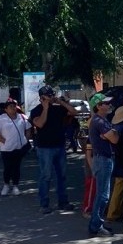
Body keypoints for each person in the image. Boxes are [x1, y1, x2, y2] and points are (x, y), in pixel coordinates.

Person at [30, 86, 77, 214]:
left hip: (59, 146)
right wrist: (45, 108)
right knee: (46, 175)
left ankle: (63, 202)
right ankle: (44, 204)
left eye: (52, 95)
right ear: (42, 97)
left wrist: (61, 102)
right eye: (48, 96)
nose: (51, 98)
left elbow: (74, 112)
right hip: (45, 147)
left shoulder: (58, 108)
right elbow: (40, 124)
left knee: (61, 175)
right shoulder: (36, 110)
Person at [88, 93, 118, 236]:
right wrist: (111, 134)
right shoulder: (99, 121)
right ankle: (96, 226)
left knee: (103, 194)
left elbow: (113, 137)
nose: (109, 105)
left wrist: (111, 134)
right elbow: (115, 139)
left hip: (104, 159)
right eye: (105, 103)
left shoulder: (102, 120)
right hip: (103, 160)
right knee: (103, 195)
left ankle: (97, 223)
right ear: (98, 106)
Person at [0, 99, 32, 196]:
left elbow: (28, 129)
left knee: (16, 167)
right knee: (7, 167)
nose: (13, 108)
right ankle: (6, 185)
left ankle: (15, 186)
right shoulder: (1, 119)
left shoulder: (22, 117)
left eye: (14, 106)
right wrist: (4, 141)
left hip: (19, 147)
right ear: (6, 109)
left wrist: (26, 139)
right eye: (11, 107)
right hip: (6, 149)